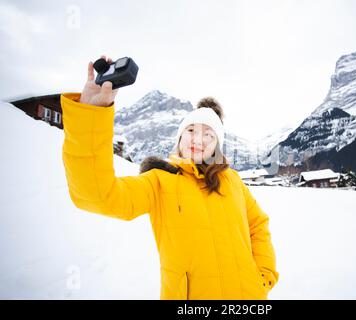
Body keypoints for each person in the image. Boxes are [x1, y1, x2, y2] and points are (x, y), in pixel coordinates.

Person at [60, 55, 279, 300]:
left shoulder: (233, 182)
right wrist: (91, 114)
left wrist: (262, 276)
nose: (198, 140)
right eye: (191, 131)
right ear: (179, 139)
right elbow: (98, 196)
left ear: (217, 144)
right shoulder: (159, 181)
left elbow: (258, 226)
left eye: (209, 135)